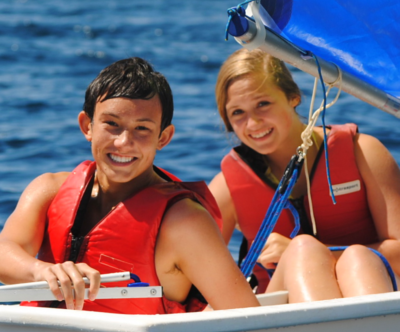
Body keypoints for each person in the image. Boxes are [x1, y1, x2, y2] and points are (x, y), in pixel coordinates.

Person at [0, 57, 259, 314]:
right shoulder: (49, 190)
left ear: (163, 137)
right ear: (87, 126)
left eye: (142, 128)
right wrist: (41, 269)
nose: (124, 142)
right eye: (112, 124)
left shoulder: (184, 221)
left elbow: (249, 321)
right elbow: (6, 250)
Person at [209, 48, 400, 303]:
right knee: (305, 250)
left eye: (262, 104)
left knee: (356, 257)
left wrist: (321, 255)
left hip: (367, 279)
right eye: (237, 113)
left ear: (293, 97)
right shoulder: (226, 187)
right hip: (276, 308)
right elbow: (197, 275)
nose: (253, 123)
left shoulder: (363, 153)